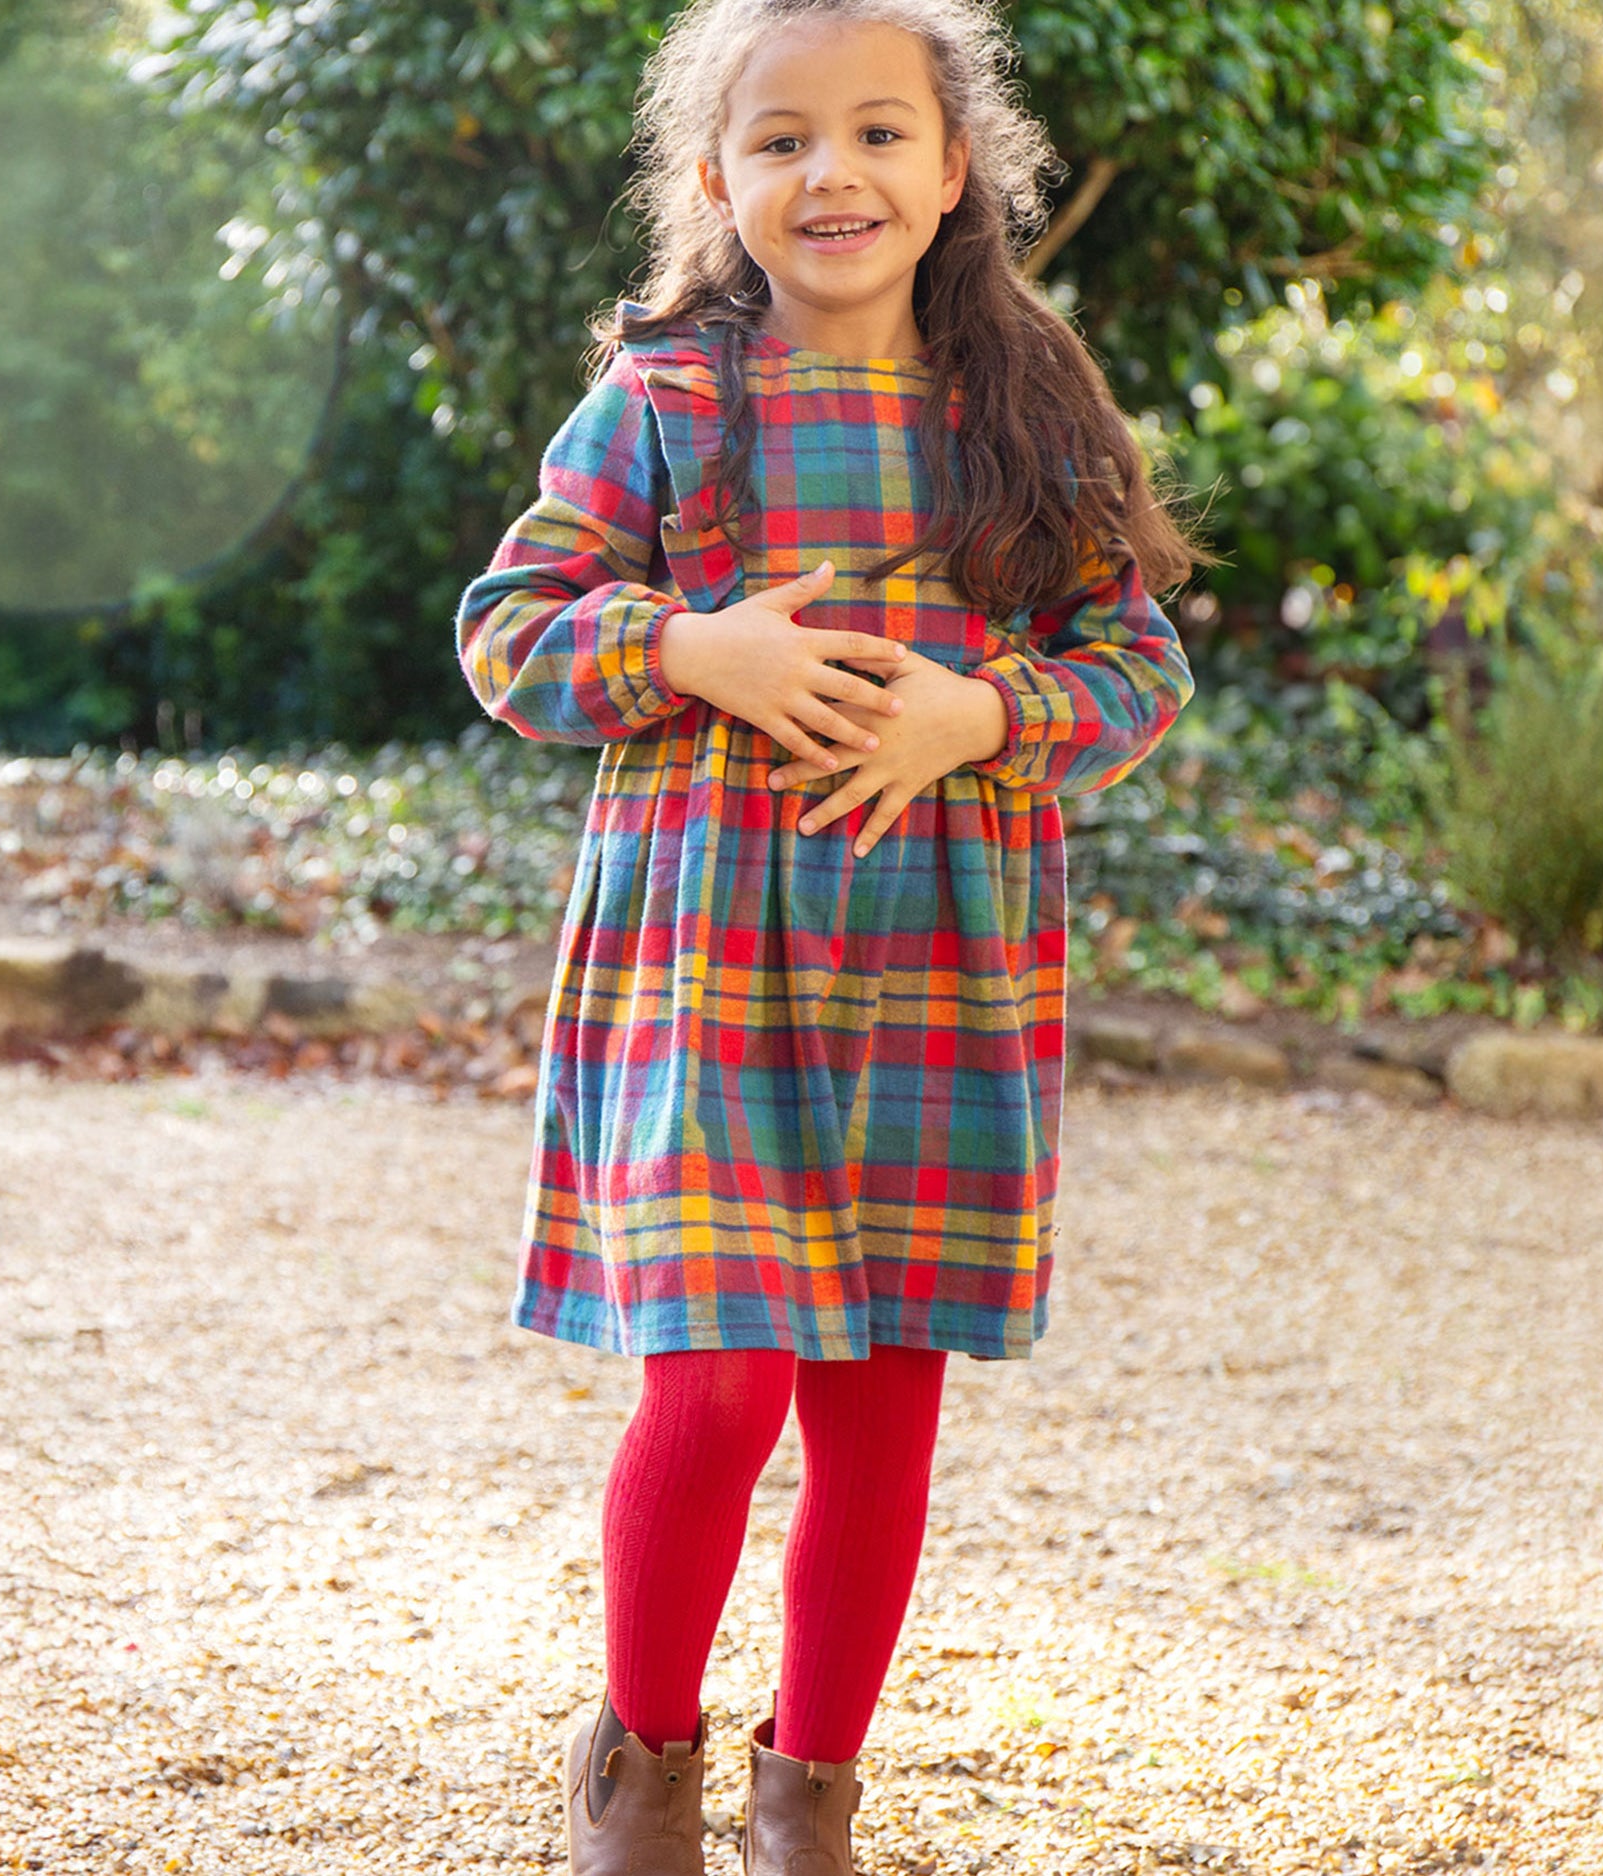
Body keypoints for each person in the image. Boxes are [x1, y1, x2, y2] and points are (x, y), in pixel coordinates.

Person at [454, 1, 1210, 1869]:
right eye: (780, 139)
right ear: (715, 179)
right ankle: (639, 1765)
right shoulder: (662, 401)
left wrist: (989, 714)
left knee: (880, 1408)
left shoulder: (1025, 411)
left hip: (943, 965)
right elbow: (507, 634)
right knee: (713, 1387)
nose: (831, 171)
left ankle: (816, 1787)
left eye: (878, 134)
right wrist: (684, 646)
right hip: (703, 960)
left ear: (954, 174)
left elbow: (1137, 661)